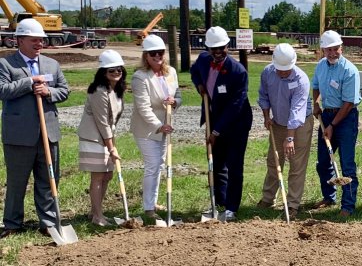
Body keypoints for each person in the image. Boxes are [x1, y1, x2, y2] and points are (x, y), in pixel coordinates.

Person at [0, 19, 69, 238]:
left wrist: (49, 93)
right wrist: (30, 82)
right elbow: (2, 91)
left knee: (48, 179)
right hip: (19, 135)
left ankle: (48, 222)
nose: (39, 44)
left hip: (48, 132)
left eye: (41, 40)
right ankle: (12, 222)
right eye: (34, 40)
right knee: (17, 181)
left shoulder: (52, 64)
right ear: (19, 40)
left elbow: (64, 90)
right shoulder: (6, 64)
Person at [191, 26, 253, 221]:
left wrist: (216, 131)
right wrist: (199, 84)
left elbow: (236, 105)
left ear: (228, 45)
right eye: (213, 49)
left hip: (236, 124)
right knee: (217, 163)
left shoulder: (237, 71)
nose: (217, 52)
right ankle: (220, 201)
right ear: (208, 49)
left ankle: (232, 207)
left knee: (234, 165)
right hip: (214, 119)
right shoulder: (203, 60)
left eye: (221, 48)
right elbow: (194, 72)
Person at [256, 43, 313, 219]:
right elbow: (263, 95)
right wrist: (266, 116)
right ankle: (268, 198)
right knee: (274, 161)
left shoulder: (301, 80)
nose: (282, 73)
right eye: (279, 69)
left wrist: (290, 139)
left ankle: (292, 204)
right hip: (278, 122)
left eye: (286, 70)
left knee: (296, 164)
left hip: (300, 125)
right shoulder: (267, 72)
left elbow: (297, 111)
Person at [130, 35, 181, 219]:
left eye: (160, 53)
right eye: (153, 54)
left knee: (160, 165)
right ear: (146, 56)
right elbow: (143, 107)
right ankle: (148, 209)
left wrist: (174, 101)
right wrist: (159, 126)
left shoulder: (171, 72)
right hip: (147, 129)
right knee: (153, 166)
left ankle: (153, 201)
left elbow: (178, 95)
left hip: (165, 126)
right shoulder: (140, 77)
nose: (157, 56)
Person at [311, 30, 361, 217]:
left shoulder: (349, 70)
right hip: (327, 116)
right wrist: (316, 104)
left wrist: (333, 126)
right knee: (324, 162)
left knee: (347, 164)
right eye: (328, 50)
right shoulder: (321, 66)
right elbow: (315, 86)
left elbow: (348, 103)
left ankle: (347, 205)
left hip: (346, 119)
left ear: (342, 48)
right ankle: (329, 196)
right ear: (323, 50)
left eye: (335, 49)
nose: (332, 54)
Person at [78, 50, 127, 226]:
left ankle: (95, 212)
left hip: (105, 138)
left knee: (107, 176)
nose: (116, 73)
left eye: (119, 69)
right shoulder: (99, 91)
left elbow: (112, 122)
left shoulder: (116, 90)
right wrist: (111, 148)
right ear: (103, 72)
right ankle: (98, 216)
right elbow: (102, 122)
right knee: (98, 177)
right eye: (111, 70)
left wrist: (112, 145)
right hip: (93, 139)